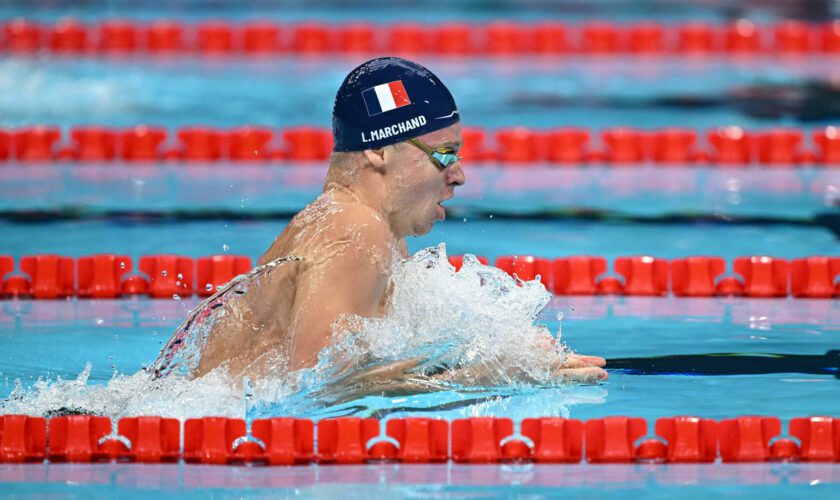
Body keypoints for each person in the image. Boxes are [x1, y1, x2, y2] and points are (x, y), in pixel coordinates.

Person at [153, 57, 606, 386]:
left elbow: (342, 375)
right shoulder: (355, 228)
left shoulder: (357, 225)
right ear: (378, 152)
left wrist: (497, 354)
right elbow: (313, 392)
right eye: (443, 154)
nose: (460, 176)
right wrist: (491, 377)